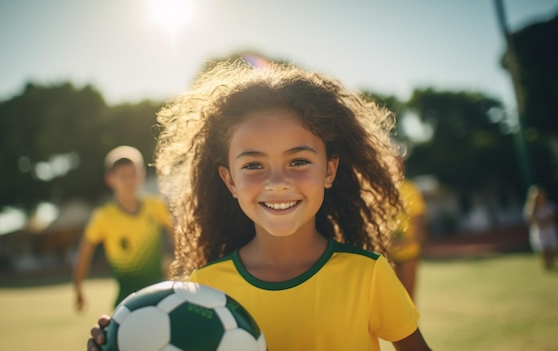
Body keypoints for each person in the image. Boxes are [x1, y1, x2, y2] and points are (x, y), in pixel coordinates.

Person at [87, 61, 431, 350]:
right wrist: (125, 340)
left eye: (298, 161)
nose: (277, 182)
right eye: (253, 165)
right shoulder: (203, 290)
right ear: (229, 181)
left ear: (329, 170)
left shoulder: (368, 276)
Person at [73, 145, 174, 312]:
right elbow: (84, 253)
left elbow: (180, 238)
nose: (129, 181)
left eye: (133, 174)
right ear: (110, 179)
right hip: (126, 301)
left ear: (141, 174)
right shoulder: (103, 217)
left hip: (161, 293)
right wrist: (78, 290)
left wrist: (176, 262)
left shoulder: (156, 206)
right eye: (123, 176)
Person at [389, 157, 428, 301]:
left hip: (408, 251)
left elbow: (419, 219)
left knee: (408, 300)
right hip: (387, 254)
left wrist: (409, 241)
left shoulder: (409, 188)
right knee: (391, 301)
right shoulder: (378, 190)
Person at [523, 184, 557, 270]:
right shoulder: (531, 208)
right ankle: (547, 264)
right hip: (540, 231)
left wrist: (544, 222)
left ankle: (551, 261)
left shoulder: (549, 206)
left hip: (550, 230)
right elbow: (532, 220)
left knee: (553, 248)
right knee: (543, 249)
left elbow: (551, 218)